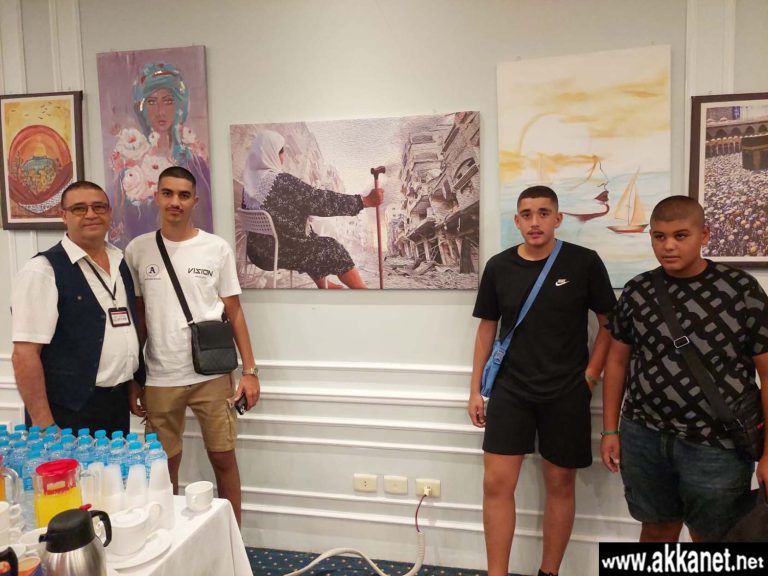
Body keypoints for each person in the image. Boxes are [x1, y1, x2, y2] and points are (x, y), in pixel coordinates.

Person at [601, 195, 768, 542]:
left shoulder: (741, 290)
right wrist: (609, 430)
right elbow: (616, 362)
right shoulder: (638, 290)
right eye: (659, 236)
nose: (668, 246)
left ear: (704, 234)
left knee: (713, 539)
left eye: (680, 235)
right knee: (655, 528)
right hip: (644, 434)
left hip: (716, 443)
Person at [468, 185, 616, 576]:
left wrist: (590, 376)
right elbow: (487, 330)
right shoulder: (499, 267)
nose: (535, 222)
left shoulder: (583, 262)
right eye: (527, 214)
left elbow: (609, 324)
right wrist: (475, 390)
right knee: (496, 484)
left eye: (544, 213)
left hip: (566, 391)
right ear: (517, 221)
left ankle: (548, 572)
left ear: (558, 218)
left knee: (560, 484)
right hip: (510, 390)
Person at [125, 166, 259, 526]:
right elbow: (139, 318)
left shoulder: (216, 248)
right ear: (157, 196)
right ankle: (169, 538)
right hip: (159, 377)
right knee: (163, 467)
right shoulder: (137, 250)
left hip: (211, 374)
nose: (175, 202)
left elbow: (235, 311)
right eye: (168, 193)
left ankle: (232, 539)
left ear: (194, 201)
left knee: (223, 458)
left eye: (184, 195)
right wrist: (134, 378)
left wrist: (249, 371)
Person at [11, 180, 143, 434]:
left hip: (115, 405)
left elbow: (122, 331)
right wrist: (43, 424)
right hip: (66, 412)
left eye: (98, 207)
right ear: (64, 216)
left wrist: (132, 383)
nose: (91, 214)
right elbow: (25, 354)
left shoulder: (120, 261)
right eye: (79, 208)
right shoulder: (42, 271)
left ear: (109, 213)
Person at [242, 129, 384, 288]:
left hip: (256, 253)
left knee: (310, 237)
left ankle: (325, 285)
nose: (283, 157)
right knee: (332, 248)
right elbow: (320, 201)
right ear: (272, 154)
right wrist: (363, 201)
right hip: (278, 253)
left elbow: (282, 218)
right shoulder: (282, 182)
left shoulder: (249, 185)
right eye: (281, 152)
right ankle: (363, 291)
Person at [109, 61, 212, 248]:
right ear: (142, 108)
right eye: (151, 102)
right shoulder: (129, 164)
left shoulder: (194, 162)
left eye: (168, 101)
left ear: (179, 105)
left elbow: (205, 217)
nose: (160, 111)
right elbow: (118, 222)